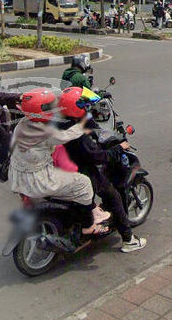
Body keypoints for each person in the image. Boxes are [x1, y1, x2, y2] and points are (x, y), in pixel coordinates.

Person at [10, 88, 110, 235]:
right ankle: (89, 226)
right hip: (38, 178)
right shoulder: (44, 131)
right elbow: (66, 135)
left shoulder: (23, 124)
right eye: (49, 106)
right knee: (83, 183)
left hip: (19, 175)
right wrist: (85, 122)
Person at [62, 89, 146, 252]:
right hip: (83, 173)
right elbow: (95, 156)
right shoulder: (78, 134)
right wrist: (117, 149)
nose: (87, 109)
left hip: (63, 169)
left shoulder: (62, 123)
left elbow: (94, 132)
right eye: (85, 105)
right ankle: (129, 240)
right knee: (113, 196)